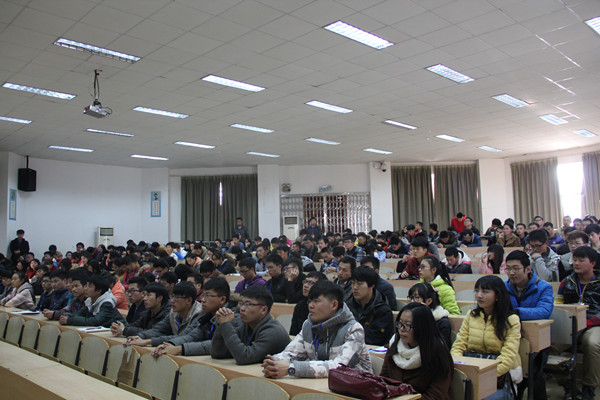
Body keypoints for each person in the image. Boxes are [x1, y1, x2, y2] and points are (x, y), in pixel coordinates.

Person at [262, 280, 372, 378]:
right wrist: (273, 362)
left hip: (357, 387)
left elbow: (339, 367)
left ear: (334, 305)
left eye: (316, 301)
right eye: (310, 301)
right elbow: (291, 354)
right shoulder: (308, 325)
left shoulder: (354, 329)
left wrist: (292, 368)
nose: (310, 305)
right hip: (323, 386)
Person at [451, 276, 522, 400]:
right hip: (472, 370)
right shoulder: (471, 315)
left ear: (498, 295)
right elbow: (459, 344)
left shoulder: (511, 320)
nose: (479, 295)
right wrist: (460, 366)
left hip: (499, 376)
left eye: (485, 292)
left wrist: (486, 375)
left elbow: (509, 354)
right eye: (477, 291)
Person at [504, 250, 553, 400]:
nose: (511, 273)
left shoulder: (544, 287)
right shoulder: (503, 287)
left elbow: (544, 311)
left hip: (536, 340)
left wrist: (516, 312)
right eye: (508, 269)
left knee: (534, 373)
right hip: (509, 337)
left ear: (528, 269)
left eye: (516, 268)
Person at [381, 302, 453, 400]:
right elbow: (383, 381)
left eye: (407, 325)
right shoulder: (394, 345)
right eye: (400, 324)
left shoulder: (438, 352)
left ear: (422, 328)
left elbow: (436, 396)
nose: (401, 329)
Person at [555, 246, 600, 400]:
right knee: (547, 345)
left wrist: (587, 322)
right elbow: (558, 305)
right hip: (569, 324)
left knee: (592, 343)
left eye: (581, 260)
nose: (576, 263)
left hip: (594, 324)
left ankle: (589, 387)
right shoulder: (567, 281)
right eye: (574, 260)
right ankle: (568, 384)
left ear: (593, 263)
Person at [152, 278, 231, 356]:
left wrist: (181, 349)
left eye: (207, 296)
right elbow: (193, 336)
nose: (203, 300)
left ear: (222, 299)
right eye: (203, 295)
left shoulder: (231, 317)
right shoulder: (207, 316)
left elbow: (220, 345)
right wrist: (170, 344)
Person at [211, 286, 290, 364]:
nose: (242, 308)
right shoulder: (247, 326)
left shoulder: (273, 332)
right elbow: (218, 353)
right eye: (241, 303)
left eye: (248, 304)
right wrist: (222, 324)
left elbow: (244, 357)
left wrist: (226, 324)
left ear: (263, 310)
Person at [124, 281, 203, 347]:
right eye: (172, 296)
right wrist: (139, 336)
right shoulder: (173, 312)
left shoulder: (199, 313)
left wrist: (148, 341)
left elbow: (182, 337)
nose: (172, 301)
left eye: (176, 298)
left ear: (189, 300)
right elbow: (158, 329)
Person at [345, 266, 394, 345]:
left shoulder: (383, 311)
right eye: (352, 283)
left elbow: (376, 339)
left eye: (359, 284)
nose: (355, 287)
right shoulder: (347, 305)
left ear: (372, 286)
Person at [60, 275, 126, 327]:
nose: (86, 289)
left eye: (89, 286)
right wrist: (68, 317)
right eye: (86, 286)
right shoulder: (90, 300)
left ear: (98, 291)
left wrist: (70, 320)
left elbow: (95, 321)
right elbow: (79, 314)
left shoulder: (107, 303)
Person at [289, 271, 328, 336]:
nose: (306, 285)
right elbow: (293, 333)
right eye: (305, 282)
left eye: (311, 283)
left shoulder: (325, 308)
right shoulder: (300, 306)